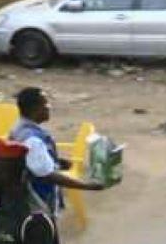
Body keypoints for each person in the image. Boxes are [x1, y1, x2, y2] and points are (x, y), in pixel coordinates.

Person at [9, 87, 105, 215]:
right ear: (35, 108)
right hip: (36, 202)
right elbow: (47, 175)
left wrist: (57, 162)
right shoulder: (32, 138)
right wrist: (87, 186)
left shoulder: (19, 127)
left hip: (25, 196)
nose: (49, 107)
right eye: (45, 103)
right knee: (42, 232)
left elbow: (30, 160)